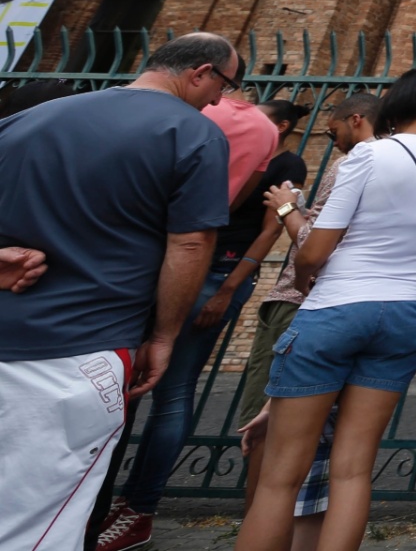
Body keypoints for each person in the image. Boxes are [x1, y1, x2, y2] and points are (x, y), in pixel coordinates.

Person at [0, 33, 236, 551]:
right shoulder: (192, 132)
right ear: (200, 72)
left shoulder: (30, 119)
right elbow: (192, 244)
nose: (221, 100)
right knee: (36, 526)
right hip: (80, 349)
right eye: (224, 84)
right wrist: (166, 336)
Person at [234, 67, 416, 551]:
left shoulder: (370, 154)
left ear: (398, 103)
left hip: (337, 309)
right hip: (404, 316)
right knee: (352, 471)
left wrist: (308, 277)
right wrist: (413, 281)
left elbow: (314, 248)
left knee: (279, 479)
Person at [97, 75, 281, 548]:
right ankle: (137, 508)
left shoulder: (186, 116)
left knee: (119, 385)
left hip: (163, 263)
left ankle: (101, 502)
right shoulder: (264, 133)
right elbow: (227, 207)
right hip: (210, 270)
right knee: (171, 392)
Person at [234, 94, 379, 428]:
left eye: (333, 132)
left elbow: (314, 244)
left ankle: (261, 480)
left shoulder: (349, 164)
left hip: (298, 300)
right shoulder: (394, 165)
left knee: (265, 418)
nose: (335, 142)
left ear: (355, 120)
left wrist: (286, 207)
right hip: (354, 302)